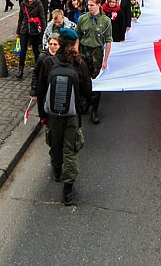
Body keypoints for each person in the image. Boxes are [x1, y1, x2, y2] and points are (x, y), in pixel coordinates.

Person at [32, 27, 92, 205]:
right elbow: (88, 92)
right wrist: (80, 107)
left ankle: (57, 170)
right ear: (73, 45)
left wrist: (42, 115)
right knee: (71, 149)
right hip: (72, 115)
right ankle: (68, 189)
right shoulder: (80, 63)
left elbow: (41, 91)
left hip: (52, 114)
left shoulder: (49, 63)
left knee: (55, 142)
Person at [76, 0, 113, 125]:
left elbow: (108, 41)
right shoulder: (82, 19)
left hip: (97, 52)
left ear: (98, 5)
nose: (89, 7)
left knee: (96, 81)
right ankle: (85, 102)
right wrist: (76, 52)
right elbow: (78, 36)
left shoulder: (105, 21)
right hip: (84, 51)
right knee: (83, 79)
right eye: (88, 5)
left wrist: (105, 60)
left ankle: (94, 109)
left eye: (92, 5)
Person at [16, 0, 47, 79]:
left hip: (34, 29)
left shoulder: (39, 4)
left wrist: (43, 32)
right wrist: (18, 31)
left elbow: (42, 18)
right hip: (24, 29)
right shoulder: (23, 4)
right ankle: (20, 69)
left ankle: (38, 68)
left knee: (35, 50)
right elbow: (20, 18)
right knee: (23, 50)